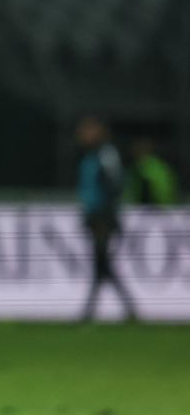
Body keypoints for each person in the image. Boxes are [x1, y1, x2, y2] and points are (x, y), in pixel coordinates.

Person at [75, 117, 137, 321]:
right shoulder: (91, 156)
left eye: (87, 129)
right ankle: (128, 311)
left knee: (101, 264)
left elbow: (116, 184)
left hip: (104, 218)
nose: (83, 134)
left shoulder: (106, 154)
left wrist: (105, 214)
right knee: (102, 265)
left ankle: (88, 313)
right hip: (95, 217)